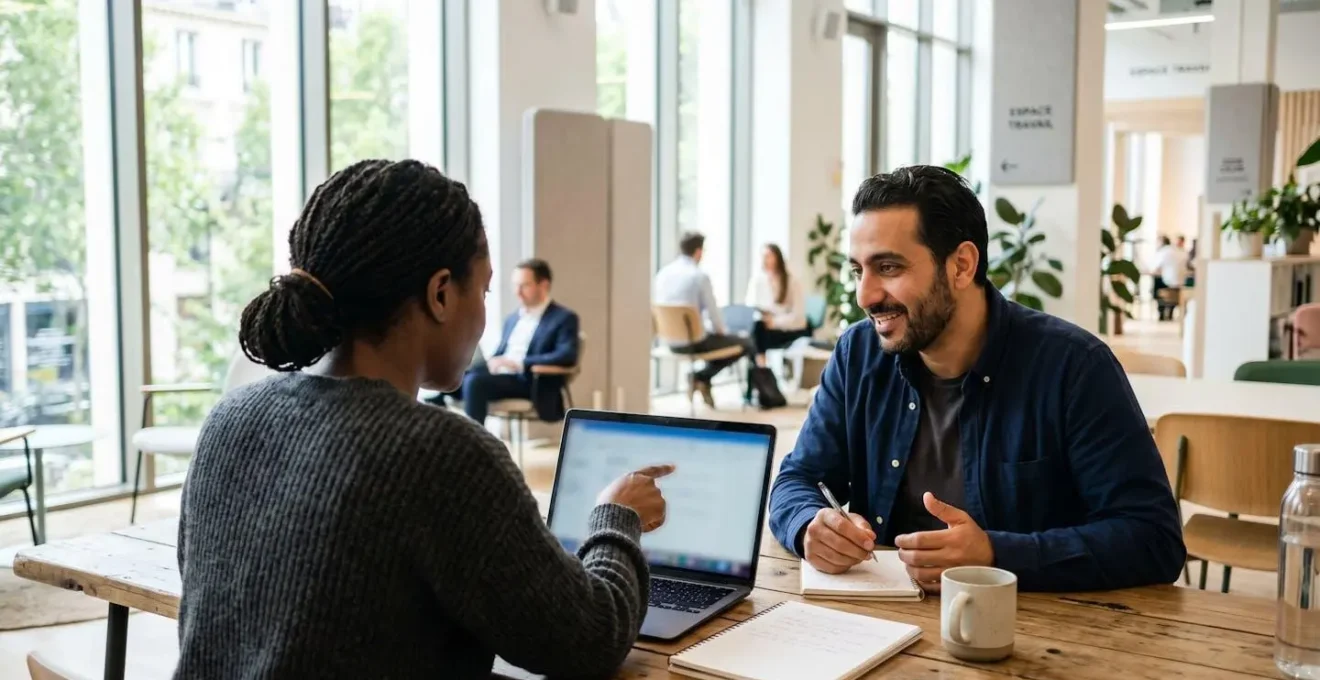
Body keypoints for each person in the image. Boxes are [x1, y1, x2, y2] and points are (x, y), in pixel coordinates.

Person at [175, 160, 673, 679]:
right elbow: (589, 639)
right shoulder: (440, 452)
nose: (484, 315)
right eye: (482, 291)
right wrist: (617, 517)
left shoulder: (228, 419)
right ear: (440, 294)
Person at [767, 165, 1184, 593]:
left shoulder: (1075, 367)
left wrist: (994, 554)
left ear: (962, 266)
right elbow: (796, 480)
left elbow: (1153, 538)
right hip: (881, 621)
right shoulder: (858, 355)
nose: (865, 295)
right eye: (858, 271)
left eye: (888, 267)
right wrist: (808, 527)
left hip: (1032, 633)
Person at [454, 258, 579, 425]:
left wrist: (520, 363)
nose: (517, 292)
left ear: (544, 285)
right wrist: (492, 362)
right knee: (459, 375)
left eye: (524, 285)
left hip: (530, 380)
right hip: (501, 376)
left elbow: (567, 355)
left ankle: (472, 444)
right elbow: (500, 353)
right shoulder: (512, 319)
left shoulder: (563, 318)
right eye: (515, 285)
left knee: (474, 382)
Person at [653, 231, 755, 407]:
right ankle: (701, 377)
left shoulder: (663, 274)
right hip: (694, 342)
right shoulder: (698, 276)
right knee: (746, 342)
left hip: (669, 341)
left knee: (714, 338)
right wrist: (724, 332)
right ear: (699, 251)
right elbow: (715, 318)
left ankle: (702, 380)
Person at [745, 243, 811, 366]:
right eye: (763, 256)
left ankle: (762, 371)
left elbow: (799, 318)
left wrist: (774, 322)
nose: (765, 260)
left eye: (769, 256)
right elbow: (751, 305)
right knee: (755, 331)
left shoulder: (792, 282)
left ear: (778, 258)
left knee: (756, 336)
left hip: (791, 330)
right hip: (768, 330)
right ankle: (761, 371)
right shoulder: (759, 280)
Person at [1150, 236, 1190, 321]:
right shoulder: (1185, 253)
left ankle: (1161, 311)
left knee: (1157, 282)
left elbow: (1156, 268)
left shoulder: (1165, 251)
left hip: (1168, 282)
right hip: (1180, 283)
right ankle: (1170, 310)